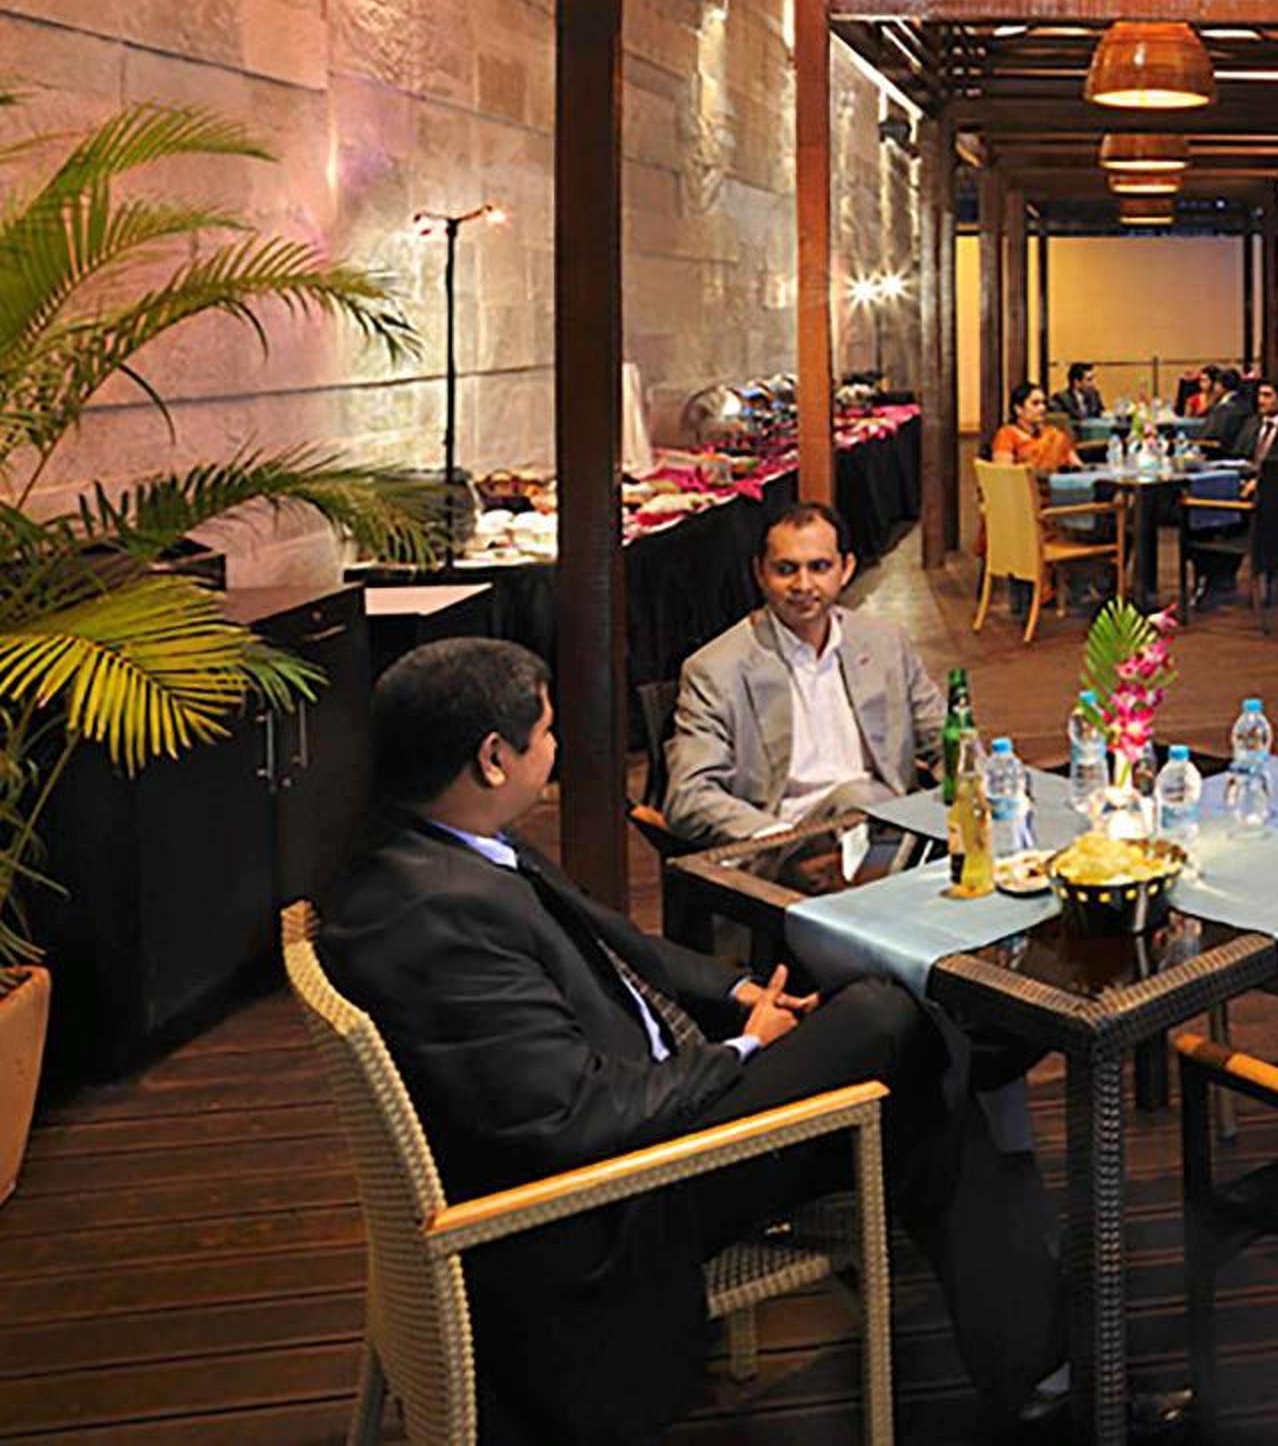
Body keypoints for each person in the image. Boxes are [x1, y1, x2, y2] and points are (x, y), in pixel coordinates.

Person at [319, 639, 1062, 1445]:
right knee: (887, 1022)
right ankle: (1038, 1368)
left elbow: (615, 944)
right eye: (548, 731)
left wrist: (739, 995)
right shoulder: (433, 917)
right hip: (617, 1201)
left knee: (912, 1084)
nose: (557, 746)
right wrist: (742, 1051)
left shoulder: (442, 847)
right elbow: (575, 1116)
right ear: (494, 758)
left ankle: (1036, 1369)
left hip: (647, 1111)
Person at [664, 501, 942, 844]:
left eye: (819, 567)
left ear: (846, 569)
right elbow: (689, 796)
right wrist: (777, 839)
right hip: (786, 847)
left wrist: (983, 787)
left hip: (887, 833)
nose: (803, 584)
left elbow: (948, 738)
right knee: (858, 796)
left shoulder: (886, 643)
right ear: (760, 573)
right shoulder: (715, 669)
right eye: (786, 569)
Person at [989, 380, 1080, 473]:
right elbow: (1003, 475)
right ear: (1018, 409)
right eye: (1035, 403)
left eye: (1044, 403)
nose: (1042, 408)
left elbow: (1078, 468)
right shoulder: (1007, 435)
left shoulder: (1053, 434)